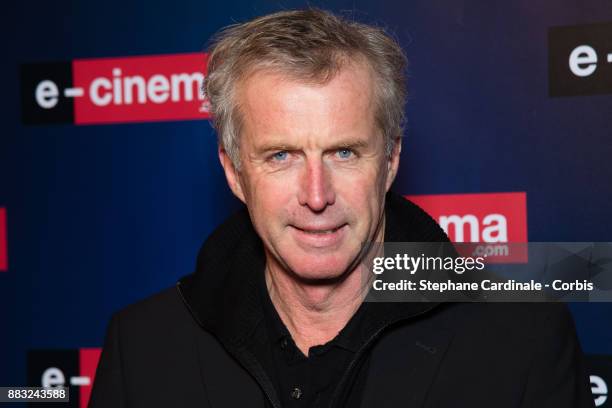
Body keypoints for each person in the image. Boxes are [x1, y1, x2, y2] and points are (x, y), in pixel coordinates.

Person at [89, 8, 594, 408]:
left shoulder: (521, 339)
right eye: (281, 155)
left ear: (391, 160)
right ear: (233, 171)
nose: (316, 194)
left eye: (344, 152)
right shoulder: (144, 347)